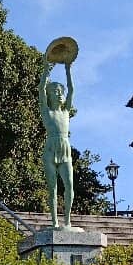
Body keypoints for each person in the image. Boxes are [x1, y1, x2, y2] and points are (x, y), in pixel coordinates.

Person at [38, 58, 75, 228]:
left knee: (69, 186)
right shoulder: (46, 111)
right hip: (51, 149)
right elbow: (40, 90)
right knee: (52, 188)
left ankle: (67, 221)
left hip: (65, 148)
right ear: (50, 94)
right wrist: (46, 70)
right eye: (56, 91)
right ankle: (54, 222)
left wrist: (68, 69)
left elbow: (72, 89)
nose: (60, 93)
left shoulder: (66, 111)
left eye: (61, 91)